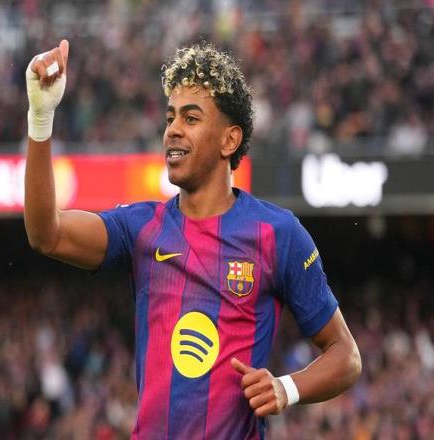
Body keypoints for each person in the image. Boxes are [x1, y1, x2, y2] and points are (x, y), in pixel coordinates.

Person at [24, 39, 361, 439]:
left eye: (191, 118)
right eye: (170, 118)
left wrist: (287, 388)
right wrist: (41, 116)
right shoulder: (142, 228)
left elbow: (346, 355)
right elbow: (47, 234)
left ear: (229, 140)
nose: (173, 130)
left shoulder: (278, 234)